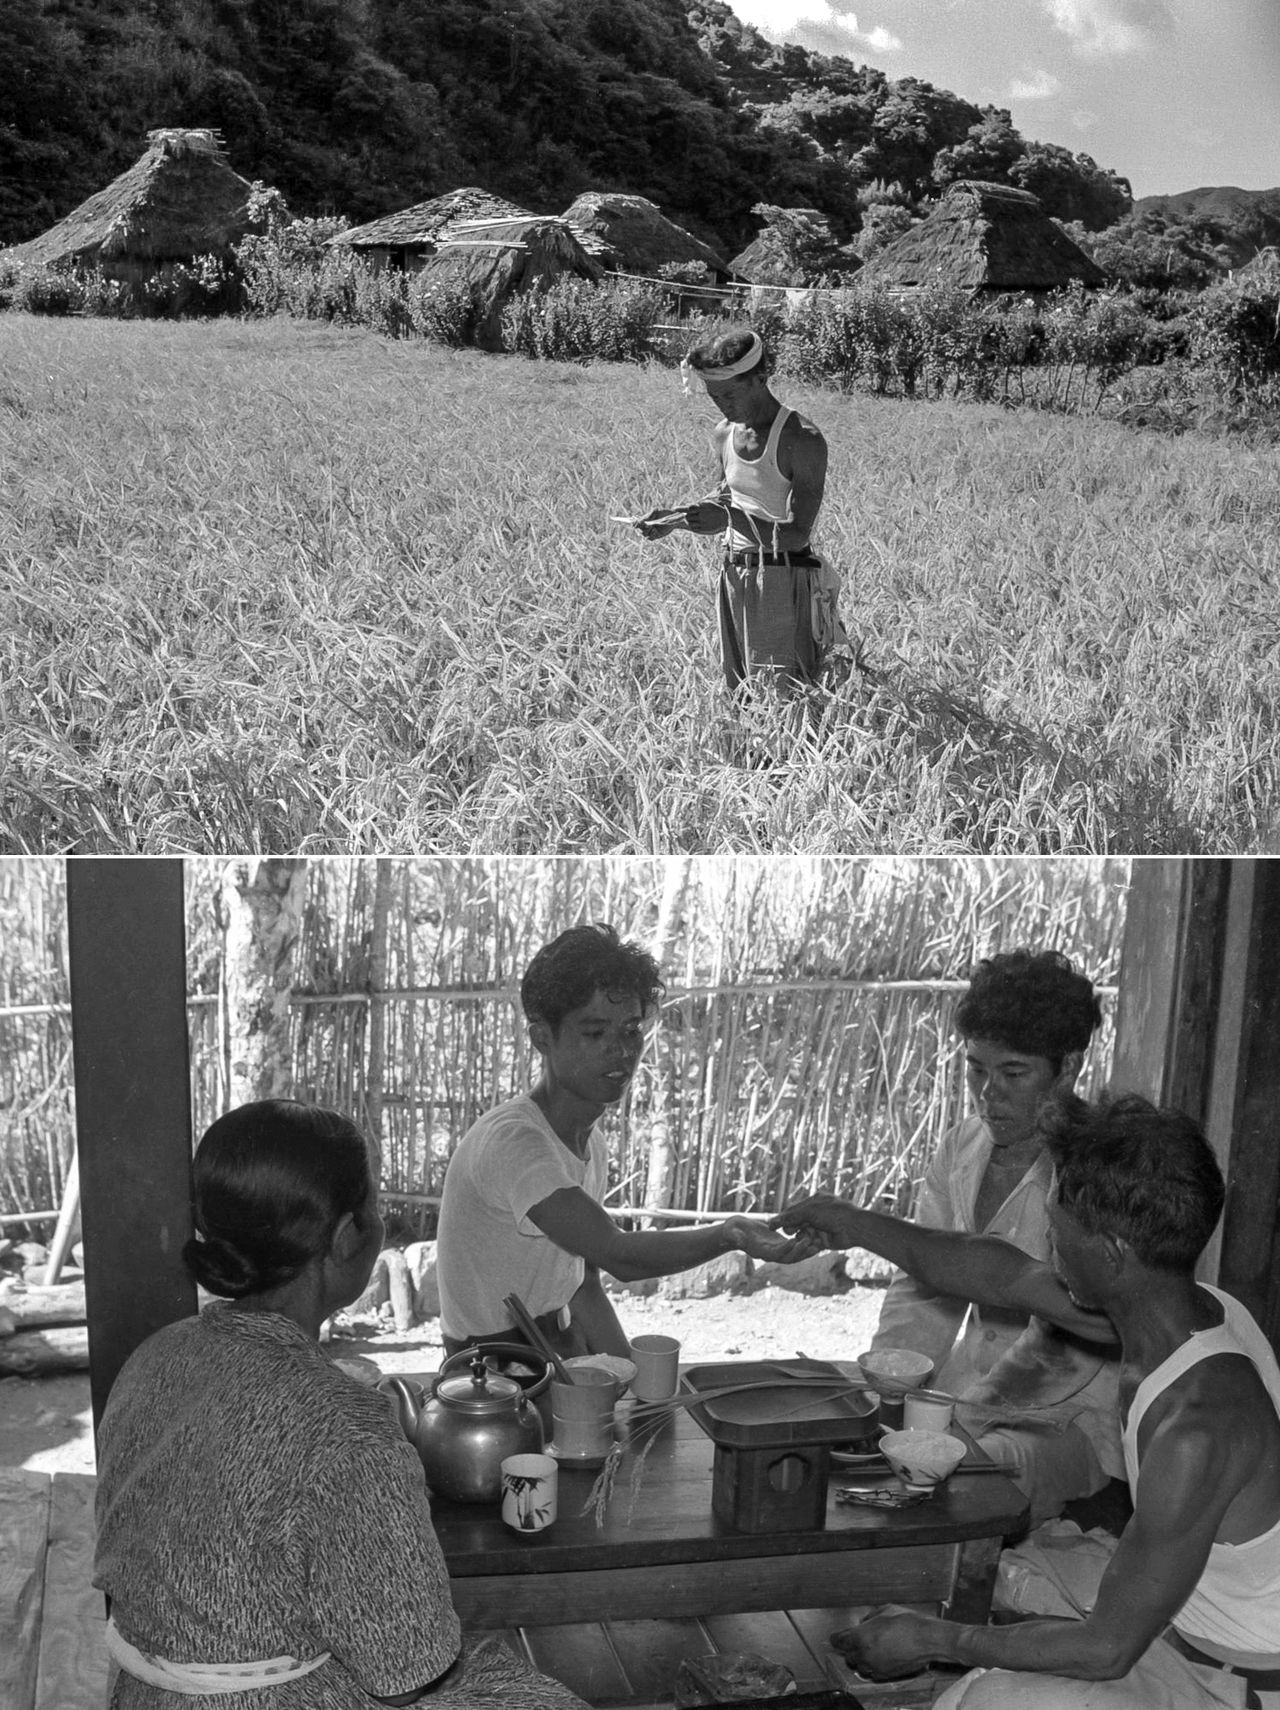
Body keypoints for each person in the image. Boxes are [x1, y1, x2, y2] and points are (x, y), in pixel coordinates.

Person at [776, 1093, 1280, 1709]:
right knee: (1010, 1572)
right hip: (1191, 1617)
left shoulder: (1195, 1427)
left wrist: (938, 1640)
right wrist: (852, 1222)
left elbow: (1106, 1651)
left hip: (1241, 1680)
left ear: (1111, 1254)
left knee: (988, 1698)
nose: (1047, 1243)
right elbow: (998, 1272)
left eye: (1057, 1228)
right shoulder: (1186, 1310)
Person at [94, 1100, 587, 1710]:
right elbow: (412, 1671)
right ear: (346, 1237)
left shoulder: (155, 1358)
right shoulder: (345, 1427)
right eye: (374, 1203)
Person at [435, 923, 818, 1359]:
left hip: (551, 1352)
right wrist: (730, 1234)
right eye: (595, 1033)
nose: (620, 1051)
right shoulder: (515, 1144)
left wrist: (630, 1380)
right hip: (490, 1377)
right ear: (542, 1037)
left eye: (631, 1030)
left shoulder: (588, 1144)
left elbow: (583, 1288)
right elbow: (619, 1254)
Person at [870, 950, 1122, 1522]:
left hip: (1072, 1415)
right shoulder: (962, 1147)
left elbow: (1073, 1340)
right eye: (975, 1068)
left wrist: (964, 1416)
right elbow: (925, 1283)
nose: (989, 1093)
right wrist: (891, 1384)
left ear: (1069, 1067)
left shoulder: (1099, 1169)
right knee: (885, 1451)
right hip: (969, 1395)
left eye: (1014, 1073)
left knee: (964, 1476)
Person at [630, 325, 845, 700]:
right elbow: (726, 497)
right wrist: (676, 518)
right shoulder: (724, 432)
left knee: (783, 695)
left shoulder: (801, 439)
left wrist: (729, 519)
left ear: (760, 379)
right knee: (741, 691)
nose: (723, 405)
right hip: (734, 573)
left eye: (730, 394)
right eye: (715, 396)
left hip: (782, 577)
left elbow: (796, 535)